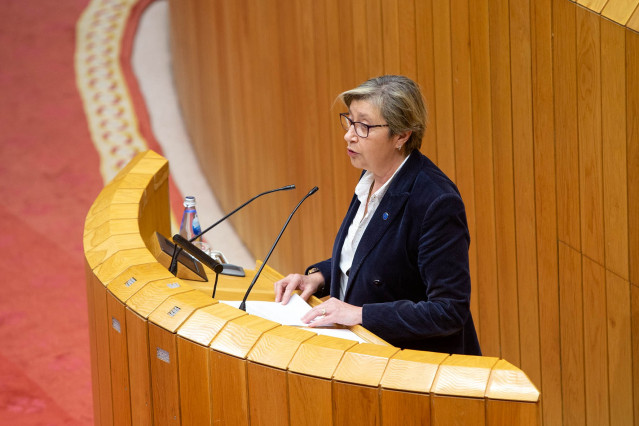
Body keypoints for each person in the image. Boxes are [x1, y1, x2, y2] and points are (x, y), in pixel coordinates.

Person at [274, 75, 481, 355]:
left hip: (411, 367)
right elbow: (374, 256)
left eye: (364, 126)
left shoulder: (436, 201)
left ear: (401, 135)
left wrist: (360, 314)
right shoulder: (372, 175)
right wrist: (320, 276)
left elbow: (448, 311)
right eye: (349, 120)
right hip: (364, 351)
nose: (349, 134)